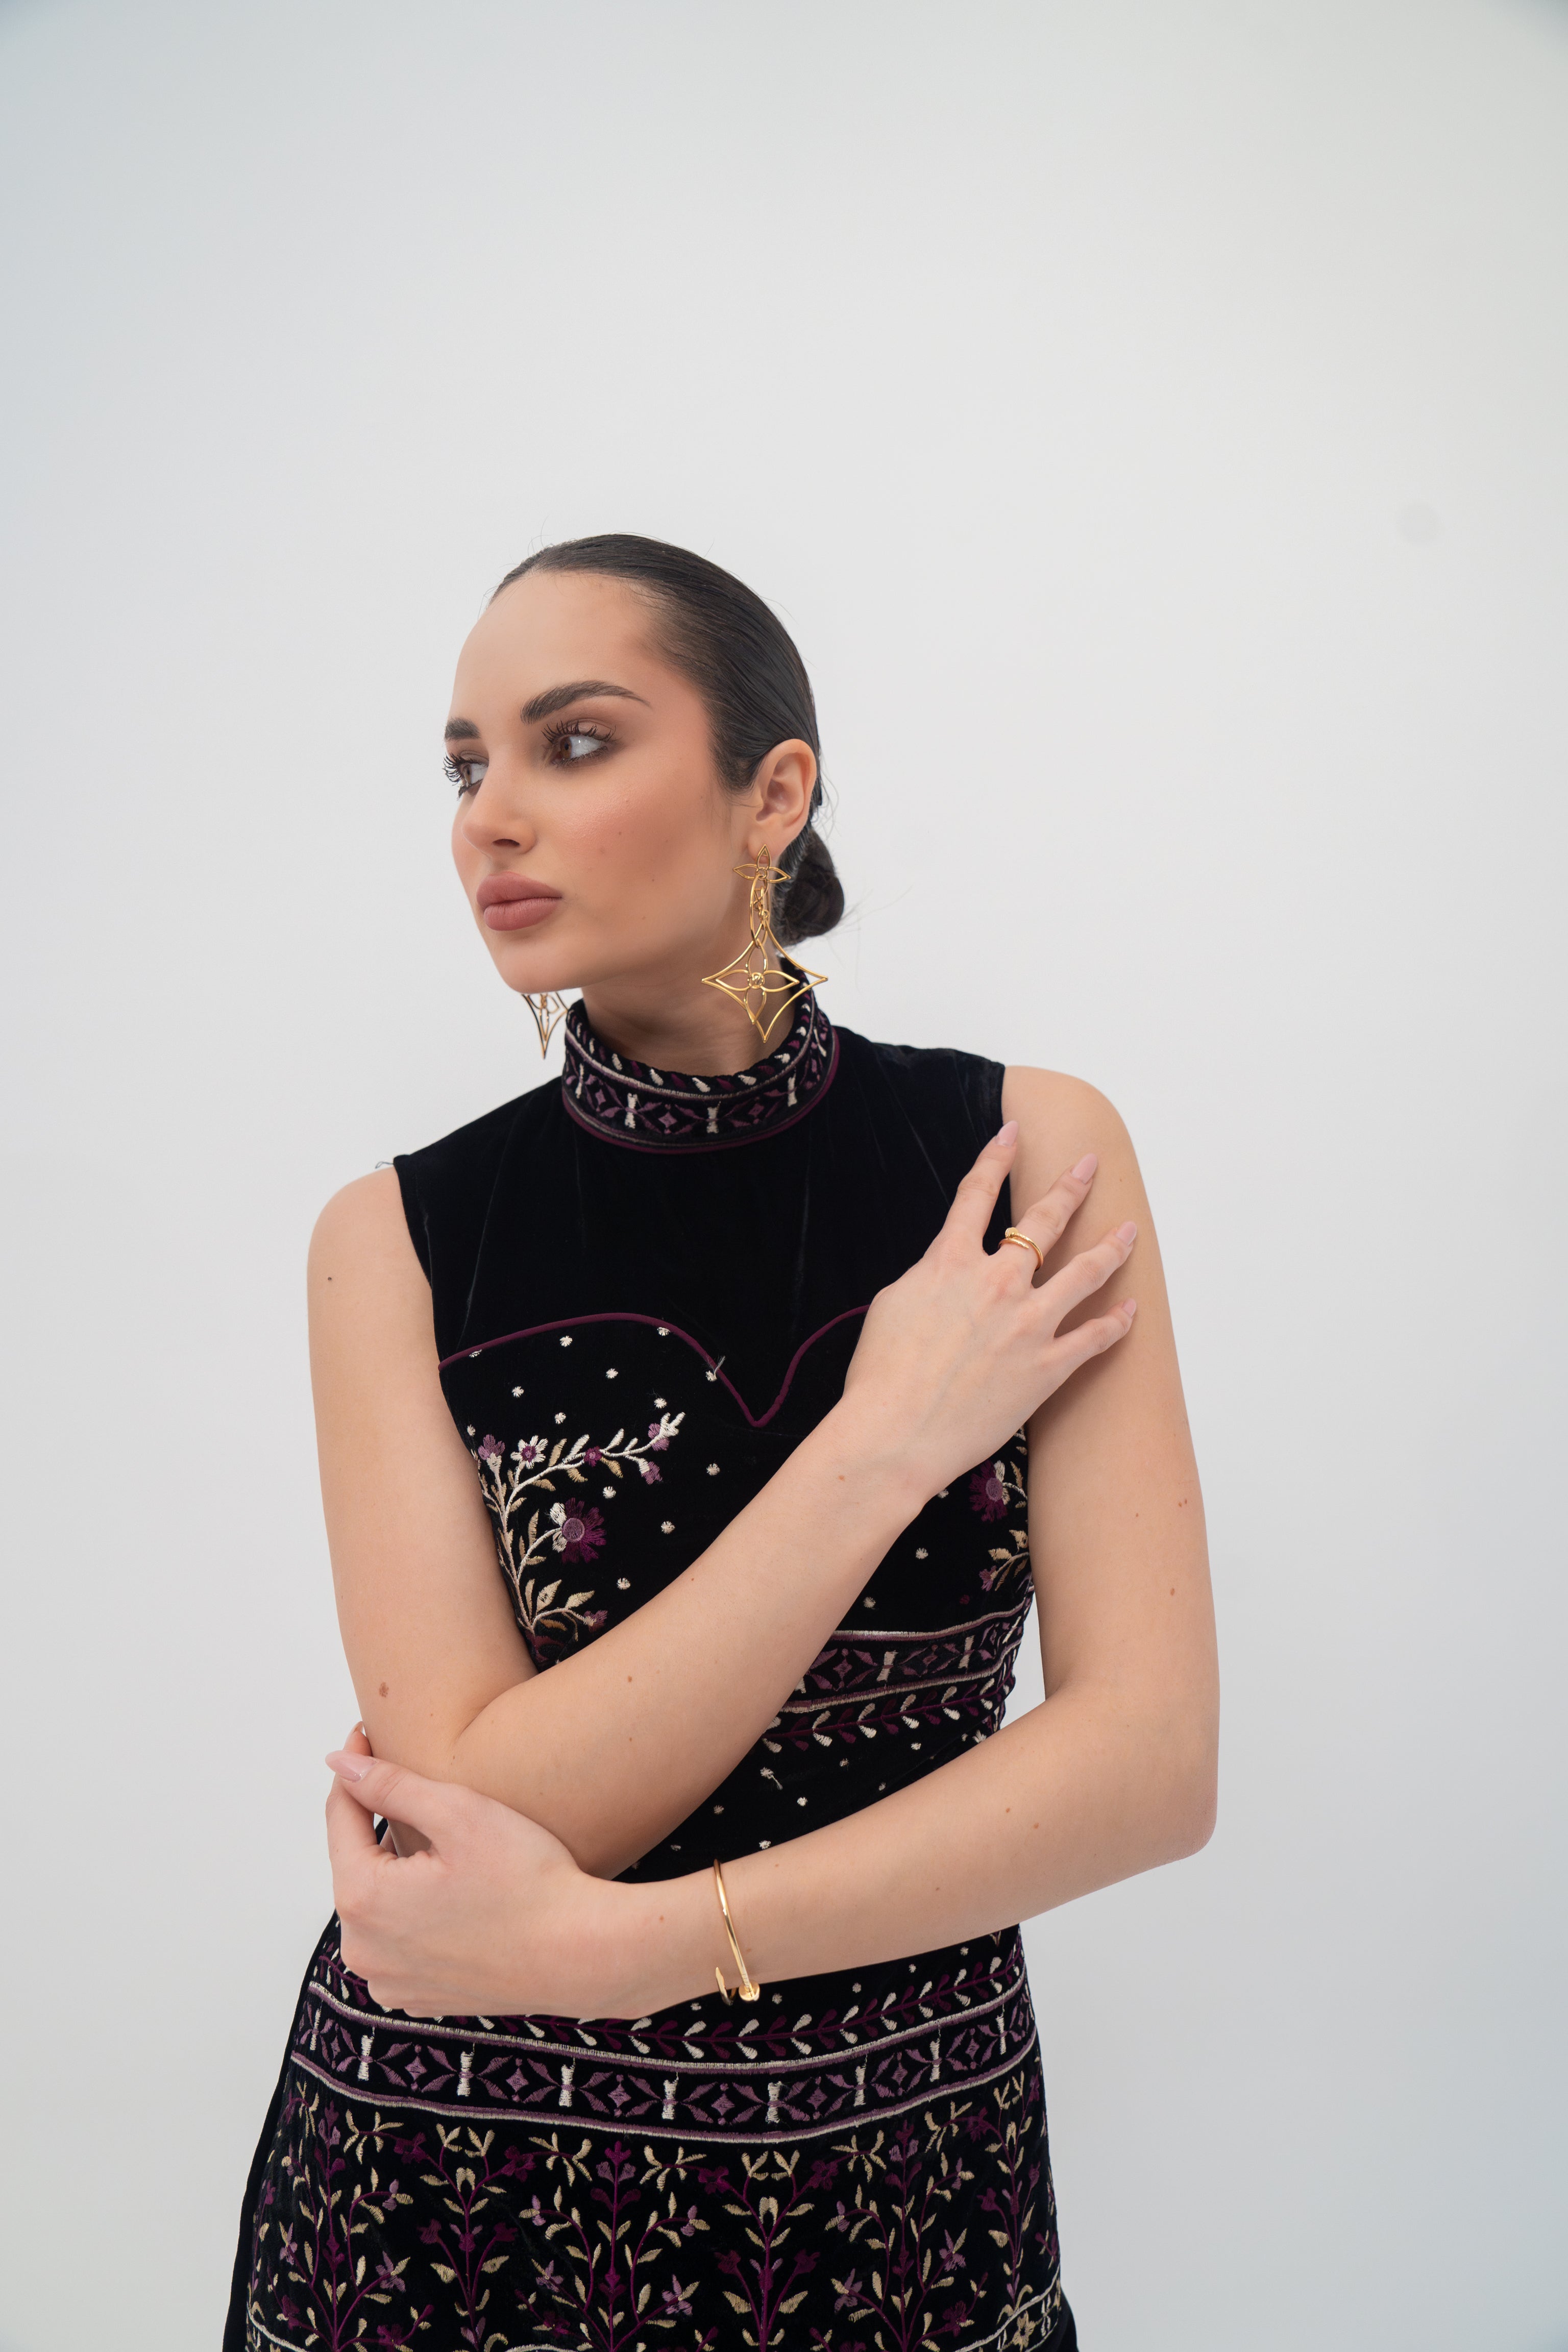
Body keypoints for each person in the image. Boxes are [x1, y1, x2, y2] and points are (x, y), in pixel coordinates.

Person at [225, 534, 1217, 2352]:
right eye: (464, 766)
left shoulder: (1028, 1160)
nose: (489, 816)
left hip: (910, 2203)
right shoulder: (396, 1243)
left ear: (775, 794)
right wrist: (883, 1442)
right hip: (458, 2205)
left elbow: (1152, 1765)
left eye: (573, 741)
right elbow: (494, 1803)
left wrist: (646, 1944)